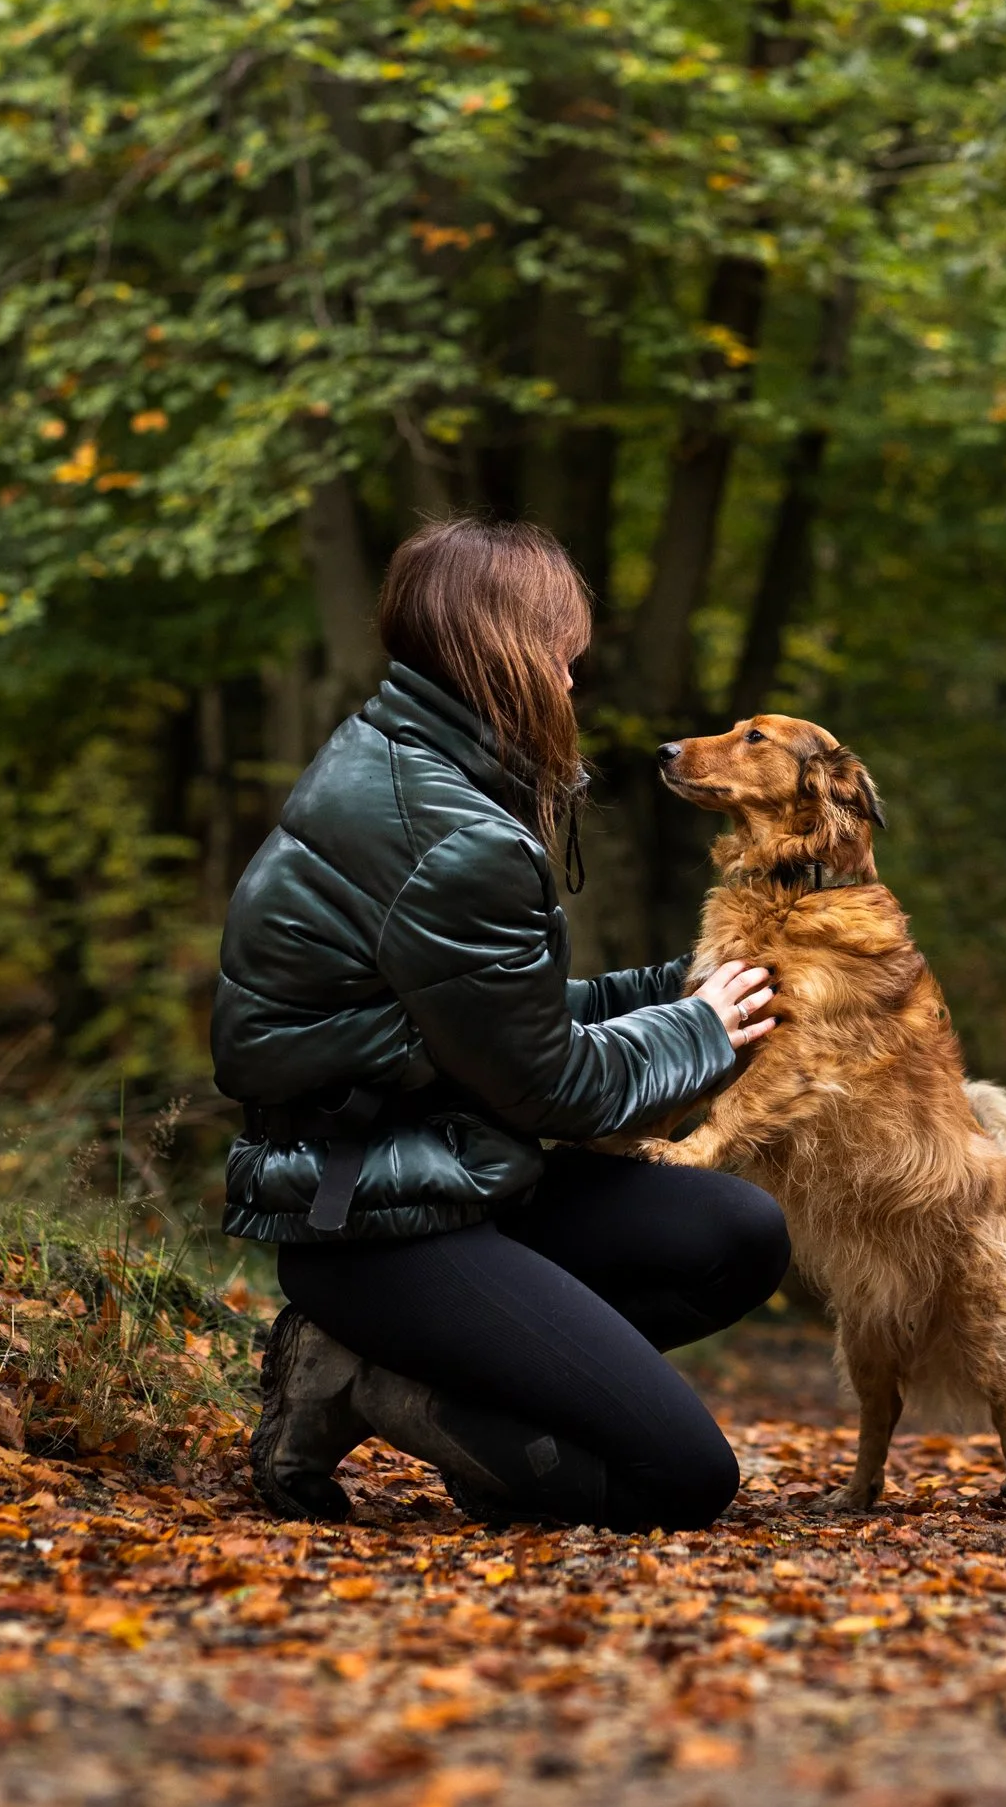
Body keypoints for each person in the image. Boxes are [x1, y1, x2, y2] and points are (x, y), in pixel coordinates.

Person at [212, 516, 790, 1531]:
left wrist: (689, 985)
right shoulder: (449, 833)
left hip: (440, 1170)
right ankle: (381, 1383)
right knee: (682, 1480)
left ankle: (390, 1369)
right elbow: (547, 1084)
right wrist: (699, 1027)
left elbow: (486, 1021)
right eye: (562, 663)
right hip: (371, 1223)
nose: (572, 686)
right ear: (506, 656)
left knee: (736, 1234)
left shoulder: (413, 763)